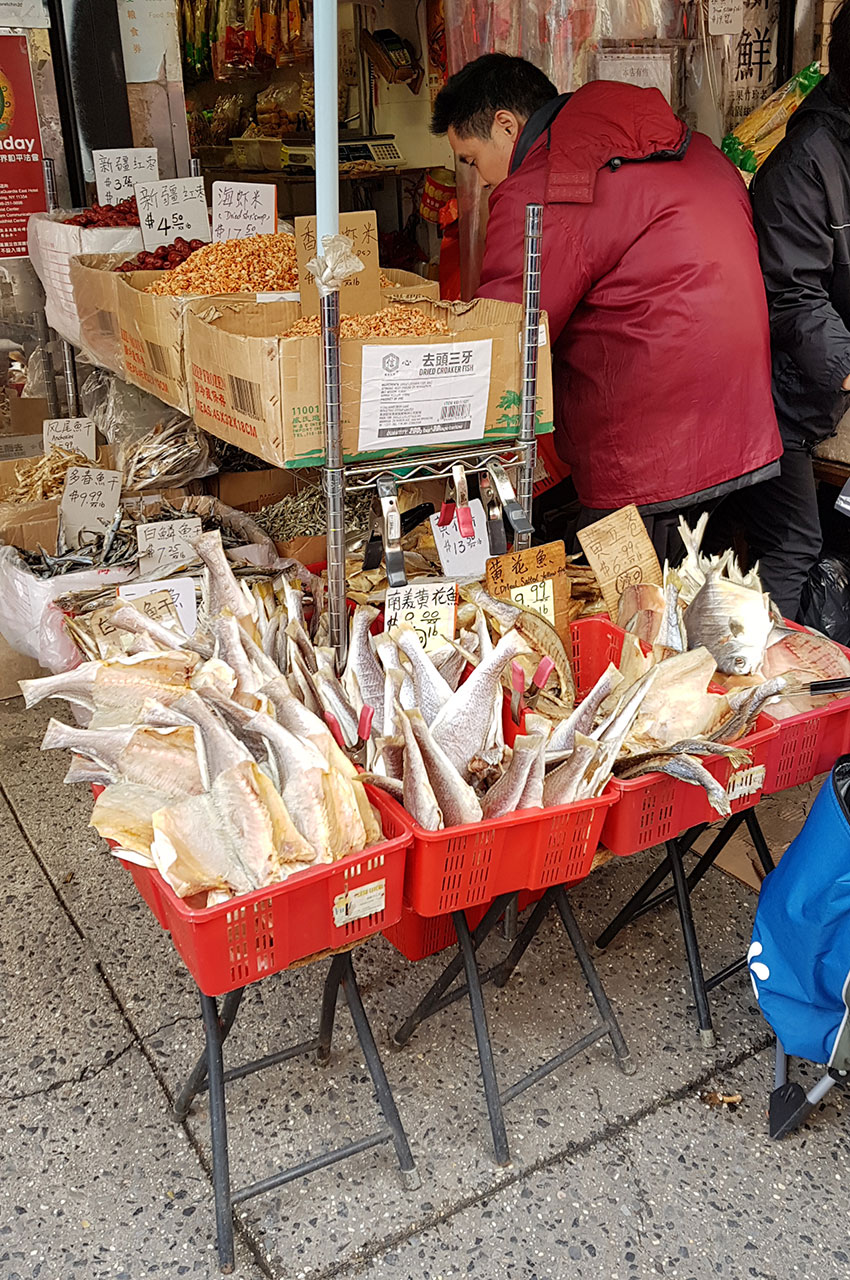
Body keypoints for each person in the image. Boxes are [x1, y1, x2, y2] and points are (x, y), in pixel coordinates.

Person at [431, 55, 782, 564]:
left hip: (653, 450)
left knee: (624, 616)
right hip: (741, 423)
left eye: (470, 159)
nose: (480, 181)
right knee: (697, 606)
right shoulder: (692, 146)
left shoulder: (540, 189)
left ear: (507, 125)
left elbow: (506, 340)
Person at [739, 5, 850, 620]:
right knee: (795, 547)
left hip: (818, 399)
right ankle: (772, 692)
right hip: (783, 400)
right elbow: (792, 293)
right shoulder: (805, 163)